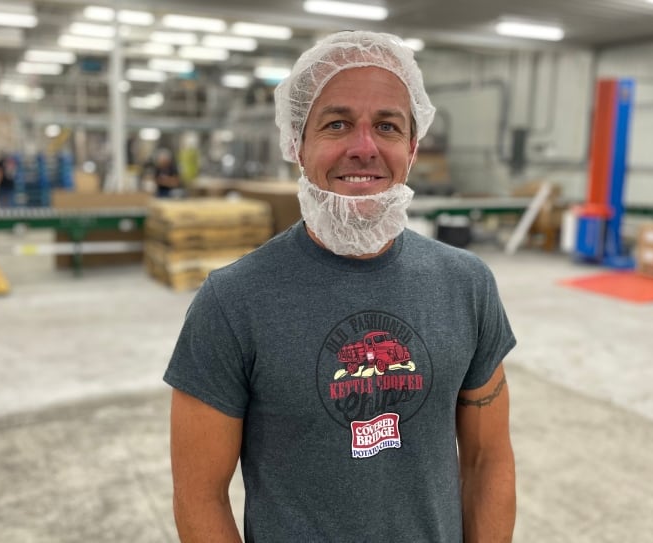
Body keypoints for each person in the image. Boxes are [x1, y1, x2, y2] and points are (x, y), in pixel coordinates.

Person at [164, 30, 516, 542]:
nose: (364, 147)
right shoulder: (233, 301)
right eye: (337, 123)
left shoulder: (466, 285)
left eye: (388, 126)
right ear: (297, 146)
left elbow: (488, 462)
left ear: (413, 148)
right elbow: (199, 497)